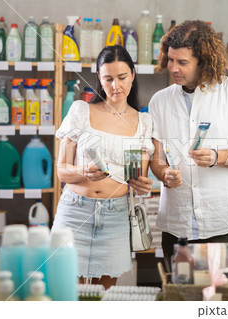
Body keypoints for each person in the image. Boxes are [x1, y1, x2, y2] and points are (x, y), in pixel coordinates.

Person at [148, 20, 228, 270]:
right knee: (179, 300)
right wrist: (164, 174)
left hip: (222, 226)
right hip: (176, 227)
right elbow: (157, 158)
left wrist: (215, 157)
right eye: (170, 60)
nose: (173, 68)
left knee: (224, 302)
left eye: (182, 62)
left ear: (204, 61)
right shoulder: (160, 101)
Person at [54, 46, 154, 289]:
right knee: (67, 293)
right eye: (108, 79)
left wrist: (142, 184)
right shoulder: (81, 110)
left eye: (121, 78)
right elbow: (61, 172)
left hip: (116, 215)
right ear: (99, 78)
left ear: (132, 75)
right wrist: (83, 172)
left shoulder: (143, 122)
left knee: (105, 297)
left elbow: (136, 177)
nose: (115, 86)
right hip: (75, 211)